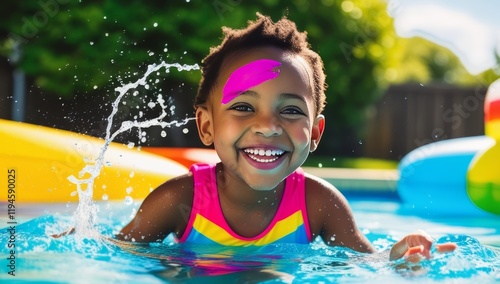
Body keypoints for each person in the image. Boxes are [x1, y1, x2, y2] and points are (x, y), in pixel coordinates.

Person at [116, 13, 456, 261]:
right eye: (244, 107)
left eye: (291, 111)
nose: (268, 126)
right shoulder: (178, 200)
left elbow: (366, 264)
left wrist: (399, 258)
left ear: (315, 133)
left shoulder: (319, 204)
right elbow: (116, 254)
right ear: (207, 126)